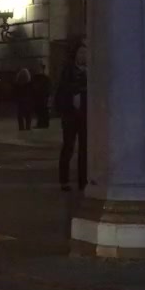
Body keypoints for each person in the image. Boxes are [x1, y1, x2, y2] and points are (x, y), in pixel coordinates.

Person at [55, 43, 88, 191]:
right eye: (81, 52)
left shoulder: (90, 71)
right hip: (70, 114)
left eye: (85, 53)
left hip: (85, 114)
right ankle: (64, 180)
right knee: (68, 146)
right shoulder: (68, 70)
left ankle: (83, 180)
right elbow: (63, 89)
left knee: (84, 148)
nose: (83, 56)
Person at [31, 64, 52, 128]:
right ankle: (42, 123)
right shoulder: (39, 78)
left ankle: (43, 123)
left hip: (42, 97)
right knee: (41, 110)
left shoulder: (43, 78)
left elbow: (47, 88)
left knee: (42, 110)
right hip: (40, 97)